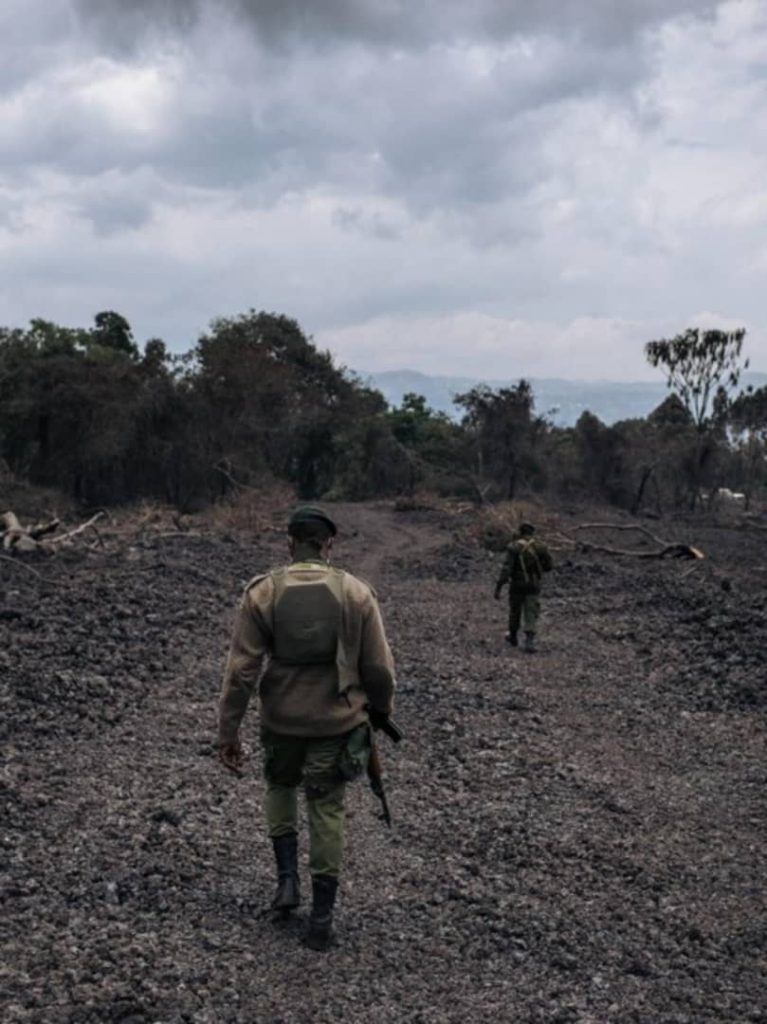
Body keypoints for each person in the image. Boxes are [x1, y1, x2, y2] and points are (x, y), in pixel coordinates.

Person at [217, 505, 396, 951]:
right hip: (336, 724)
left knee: (279, 787)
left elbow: (241, 672)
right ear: (328, 545)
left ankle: (286, 882)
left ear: (289, 543)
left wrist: (228, 732)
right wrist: (380, 710)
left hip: (281, 722)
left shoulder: (262, 593)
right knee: (327, 808)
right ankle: (321, 919)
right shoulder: (356, 593)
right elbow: (380, 670)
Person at [494, 521, 553, 653]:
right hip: (534, 584)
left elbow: (506, 569)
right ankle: (529, 642)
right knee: (531, 611)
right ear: (532, 533)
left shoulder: (513, 547)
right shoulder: (540, 547)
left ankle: (513, 637)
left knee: (515, 610)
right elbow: (549, 566)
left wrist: (499, 586)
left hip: (517, 584)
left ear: (520, 533)